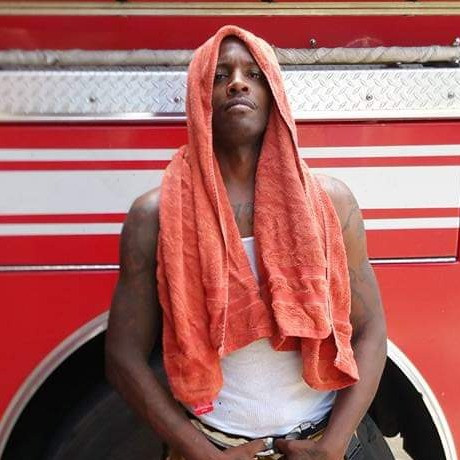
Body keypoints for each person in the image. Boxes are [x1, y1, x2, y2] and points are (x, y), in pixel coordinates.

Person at [105, 25, 393, 460]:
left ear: (274, 94)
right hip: (214, 447)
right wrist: (201, 454)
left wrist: (333, 446)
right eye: (220, 75)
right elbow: (123, 357)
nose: (238, 83)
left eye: (254, 75)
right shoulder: (154, 216)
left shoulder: (332, 202)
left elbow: (371, 330)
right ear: (198, 97)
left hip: (322, 443)